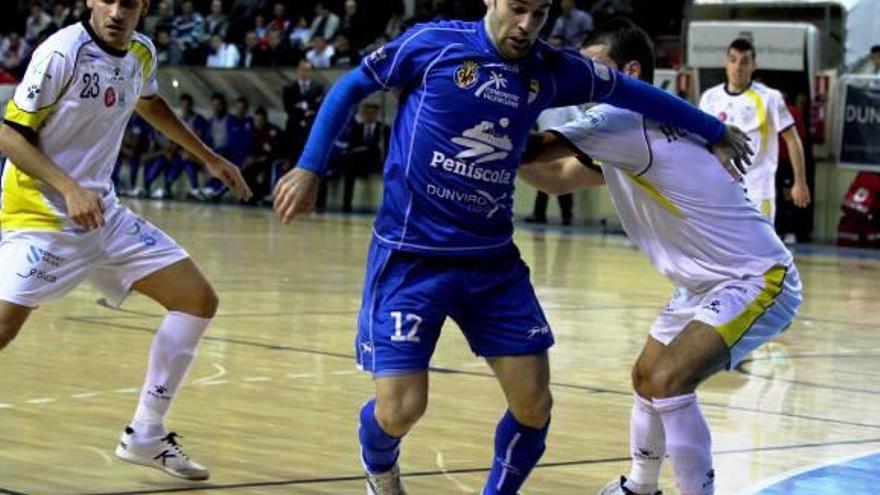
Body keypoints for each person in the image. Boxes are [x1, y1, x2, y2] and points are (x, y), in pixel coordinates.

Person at [271, 1, 751, 494]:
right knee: (400, 409)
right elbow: (352, 86)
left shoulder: (551, 68)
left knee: (534, 405)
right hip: (410, 257)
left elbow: (635, 91)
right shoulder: (433, 44)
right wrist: (310, 166)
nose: (526, 25)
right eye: (517, 9)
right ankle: (380, 466)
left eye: (539, 14)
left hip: (491, 264)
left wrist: (714, 132)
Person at [517, 19, 801, 495]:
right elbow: (555, 178)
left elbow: (533, 152)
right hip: (702, 284)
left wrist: (488, 108)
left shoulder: (620, 119)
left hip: (756, 277)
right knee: (646, 377)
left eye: (594, 69)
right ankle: (640, 487)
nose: (585, 81)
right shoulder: (637, 129)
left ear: (629, 71)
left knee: (668, 380)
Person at [0, 0, 251, 481]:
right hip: (41, 214)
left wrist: (208, 158)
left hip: (102, 213)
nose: (118, 10)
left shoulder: (141, 52)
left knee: (197, 300)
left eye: (130, 2)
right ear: (91, 0)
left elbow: (150, 103)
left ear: (144, 7)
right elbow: (10, 135)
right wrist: (68, 187)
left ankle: (147, 433)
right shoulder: (61, 53)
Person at [699, 38, 811, 223]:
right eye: (733, 60)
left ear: (753, 65)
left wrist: (800, 182)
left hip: (757, 188)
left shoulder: (770, 98)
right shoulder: (709, 98)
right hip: (719, 187)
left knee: (759, 247)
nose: (738, 67)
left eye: (744, 61)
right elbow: (700, 141)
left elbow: (793, 140)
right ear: (725, 62)